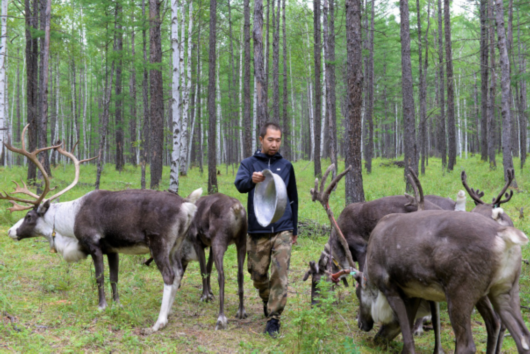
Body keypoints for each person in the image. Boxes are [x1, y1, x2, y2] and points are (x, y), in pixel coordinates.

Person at [234, 122, 298, 338]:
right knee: (257, 274)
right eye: (270, 139)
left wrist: (294, 229)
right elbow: (239, 184)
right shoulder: (249, 163)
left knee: (279, 274)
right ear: (261, 139)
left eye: (278, 140)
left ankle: (273, 319)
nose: (274, 144)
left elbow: (293, 199)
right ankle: (266, 298)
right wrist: (251, 181)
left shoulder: (286, 166)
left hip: (283, 228)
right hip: (257, 228)